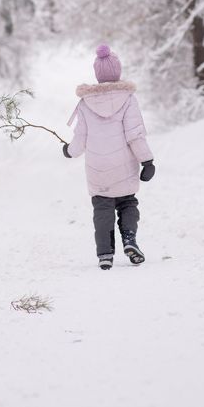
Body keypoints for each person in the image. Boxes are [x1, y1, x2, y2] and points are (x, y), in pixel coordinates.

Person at [63, 43, 155, 270]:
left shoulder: (85, 103)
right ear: (118, 72)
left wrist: (68, 151)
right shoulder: (128, 99)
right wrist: (147, 161)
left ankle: (105, 254)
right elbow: (135, 135)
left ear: (97, 74)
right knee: (127, 203)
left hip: (98, 169)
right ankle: (129, 240)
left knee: (102, 209)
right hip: (124, 166)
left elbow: (80, 139)